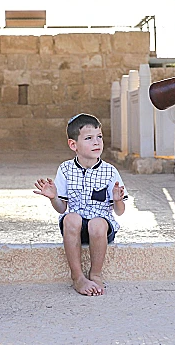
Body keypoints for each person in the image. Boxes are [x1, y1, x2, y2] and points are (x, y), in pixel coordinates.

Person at [33, 113, 126, 296]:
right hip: (75, 228)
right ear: (73, 145)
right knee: (71, 218)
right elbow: (62, 208)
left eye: (99, 137)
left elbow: (120, 212)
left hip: (100, 229)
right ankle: (77, 277)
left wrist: (118, 200)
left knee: (97, 222)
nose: (96, 142)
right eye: (89, 138)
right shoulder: (66, 169)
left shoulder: (110, 171)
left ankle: (95, 274)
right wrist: (53, 197)